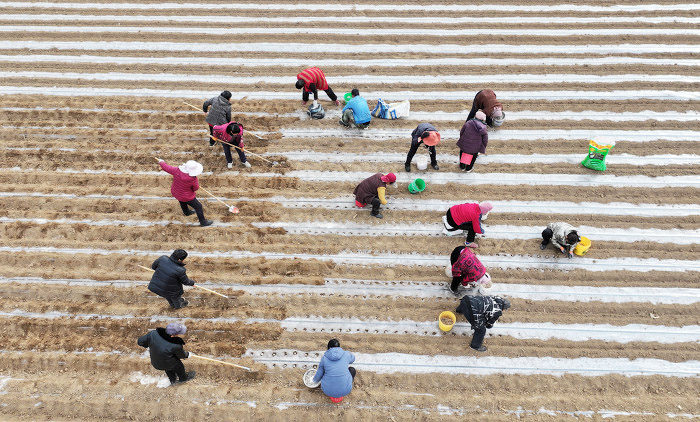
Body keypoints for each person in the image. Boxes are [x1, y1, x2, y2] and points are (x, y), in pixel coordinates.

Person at [157, 158, 213, 227]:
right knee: (198, 206)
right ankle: (203, 222)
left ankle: (186, 212)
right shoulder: (193, 179)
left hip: (176, 192)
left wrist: (161, 162)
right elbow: (195, 188)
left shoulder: (176, 170)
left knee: (181, 200)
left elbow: (166, 167)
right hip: (186, 196)